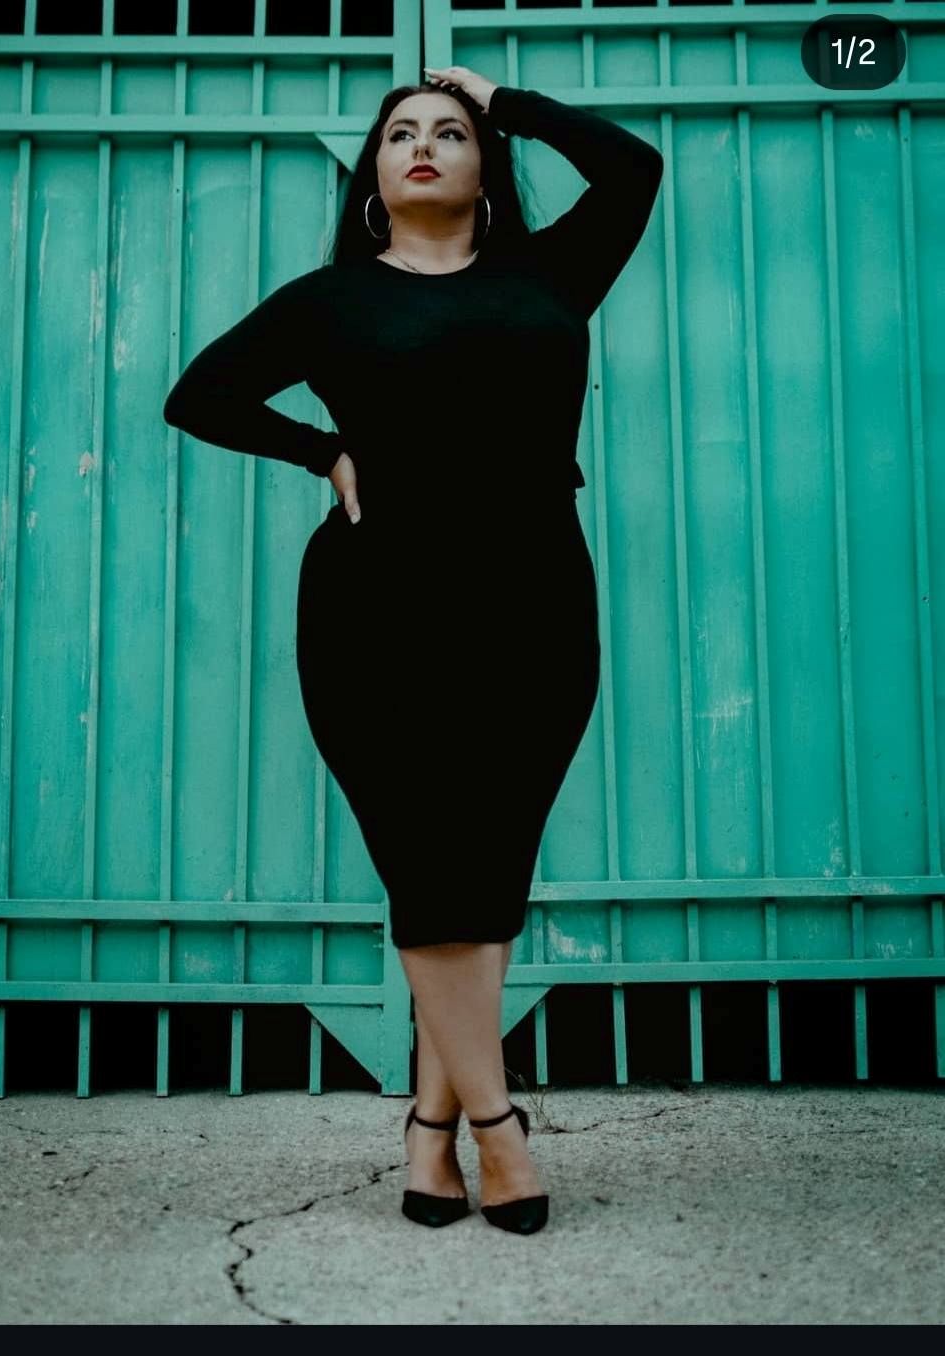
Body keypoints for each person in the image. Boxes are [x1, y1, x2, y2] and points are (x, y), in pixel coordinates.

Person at [163, 65, 663, 1235]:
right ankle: (500, 1128)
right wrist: (322, 451)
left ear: (486, 172)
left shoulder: (552, 274)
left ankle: (429, 1131)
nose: (426, 144)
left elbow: (633, 170)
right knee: (428, 866)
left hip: (535, 602)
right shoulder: (330, 300)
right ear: (372, 181)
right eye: (402, 135)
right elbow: (201, 395)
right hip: (376, 607)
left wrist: (506, 99)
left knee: (485, 868)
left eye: (451, 132)